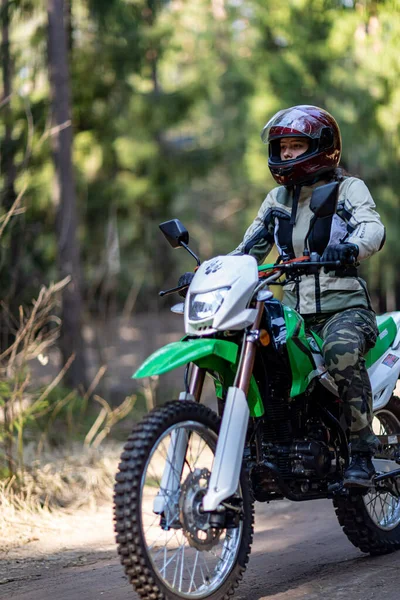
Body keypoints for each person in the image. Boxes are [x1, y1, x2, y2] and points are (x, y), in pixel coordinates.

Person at [179, 105, 386, 488]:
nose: (287, 154)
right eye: (283, 147)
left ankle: (362, 453)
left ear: (323, 147)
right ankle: (256, 449)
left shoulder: (347, 189)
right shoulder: (277, 200)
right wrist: (205, 273)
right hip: (295, 315)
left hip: (345, 311)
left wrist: (352, 247)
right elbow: (246, 252)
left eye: (295, 145)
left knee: (341, 350)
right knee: (254, 356)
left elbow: (372, 226)